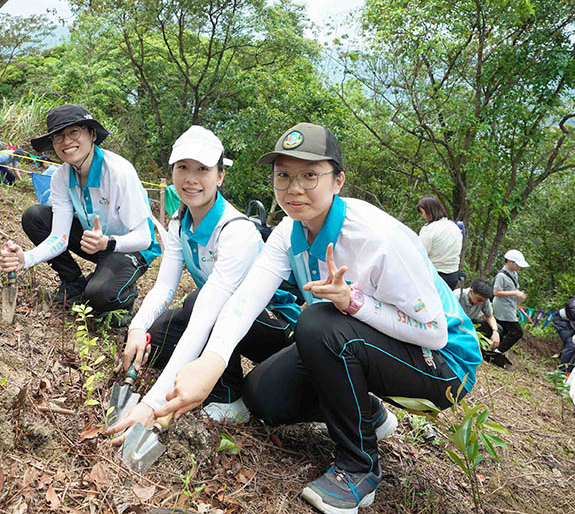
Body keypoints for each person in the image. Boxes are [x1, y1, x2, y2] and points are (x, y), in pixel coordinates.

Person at [152, 123, 481, 514]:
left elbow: (435, 333)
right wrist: (212, 361)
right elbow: (244, 301)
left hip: (444, 368)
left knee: (321, 322)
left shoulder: (377, 238)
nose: (294, 188)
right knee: (262, 398)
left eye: (310, 176)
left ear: (338, 180)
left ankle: (359, 468)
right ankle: (368, 413)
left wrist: (354, 303)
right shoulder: (289, 233)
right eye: (284, 176)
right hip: (366, 343)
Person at [105, 126, 299, 432]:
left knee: (199, 304)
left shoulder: (236, 231)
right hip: (218, 315)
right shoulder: (180, 223)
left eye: (203, 169)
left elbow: (208, 312)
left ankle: (230, 395)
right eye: (183, 168)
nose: (191, 179)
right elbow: (166, 287)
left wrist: (151, 405)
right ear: (172, 172)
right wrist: (137, 327)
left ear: (220, 176)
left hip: (276, 329)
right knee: (156, 341)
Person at [0, 104, 160, 325]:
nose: (66, 142)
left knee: (98, 297)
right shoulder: (61, 177)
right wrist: (26, 259)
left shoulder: (118, 173)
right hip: (93, 242)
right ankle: (73, 282)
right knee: (35, 216)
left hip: (130, 248)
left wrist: (108, 242)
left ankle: (125, 295)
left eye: (74, 132)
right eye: (59, 136)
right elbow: (60, 237)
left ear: (92, 135)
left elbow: (145, 238)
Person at [416, 195, 463, 289]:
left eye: (423, 212)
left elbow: (421, 253)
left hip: (435, 275)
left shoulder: (429, 230)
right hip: (453, 275)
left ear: (429, 211)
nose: (422, 216)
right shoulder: (454, 227)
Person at [492, 249, 529, 355]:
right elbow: (496, 292)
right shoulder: (501, 276)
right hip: (503, 306)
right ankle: (499, 351)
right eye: (517, 264)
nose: (519, 267)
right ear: (509, 262)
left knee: (504, 329)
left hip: (511, 305)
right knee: (517, 332)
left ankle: (496, 348)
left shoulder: (514, 274)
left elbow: (515, 289)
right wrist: (514, 293)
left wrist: (519, 295)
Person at [456, 278, 500, 349]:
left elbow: (489, 316)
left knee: (496, 328)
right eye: (479, 300)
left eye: (483, 301)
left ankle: (485, 349)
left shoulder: (484, 300)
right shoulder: (457, 296)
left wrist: (495, 331)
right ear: (471, 292)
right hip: (454, 323)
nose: (481, 303)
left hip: (469, 322)